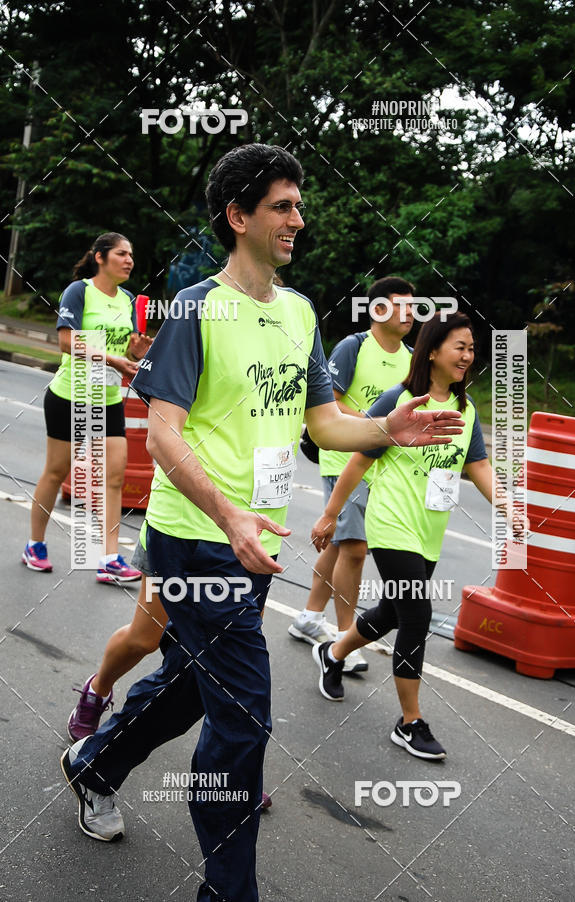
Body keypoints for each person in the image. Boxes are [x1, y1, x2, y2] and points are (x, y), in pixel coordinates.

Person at [60, 144, 463, 902]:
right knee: (243, 714)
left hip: (256, 543)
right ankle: (228, 890)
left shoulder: (301, 312)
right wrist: (227, 512)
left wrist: (383, 432)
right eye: (282, 206)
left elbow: (324, 423)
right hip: (196, 536)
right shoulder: (195, 309)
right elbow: (163, 432)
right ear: (238, 216)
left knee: (189, 688)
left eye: (299, 206)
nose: (298, 220)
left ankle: (95, 764)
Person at [311, 312, 522, 760]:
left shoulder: (466, 411)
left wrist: (506, 505)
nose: (467, 355)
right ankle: (410, 722)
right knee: (417, 614)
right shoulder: (400, 399)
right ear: (431, 351)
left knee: (392, 609)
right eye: (459, 347)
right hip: (391, 524)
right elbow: (359, 461)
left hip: (429, 529)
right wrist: (330, 515)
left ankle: (333, 652)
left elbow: (477, 465)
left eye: (471, 348)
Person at [66, 522, 273, 810]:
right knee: (143, 639)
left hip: (252, 547)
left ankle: (231, 777)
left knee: (227, 662)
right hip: (180, 535)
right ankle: (97, 690)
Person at [289, 276, 415, 675]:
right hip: (344, 459)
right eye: (402, 305)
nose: (411, 313)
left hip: (386, 465)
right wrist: (382, 425)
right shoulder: (353, 347)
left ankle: (310, 617)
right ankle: (346, 637)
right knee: (356, 549)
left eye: (414, 307)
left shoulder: (413, 357)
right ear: (378, 310)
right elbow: (332, 406)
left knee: (342, 545)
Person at [22, 232, 149, 582]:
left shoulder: (128, 300)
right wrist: (114, 359)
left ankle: (109, 559)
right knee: (56, 471)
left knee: (115, 477)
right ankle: (35, 543)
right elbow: (66, 340)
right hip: (70, 395)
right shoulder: (79, 291)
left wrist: (135, 352)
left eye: (131, 255)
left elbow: (126, 353)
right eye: (121, 254)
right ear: (100, 257)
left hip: (108, 400)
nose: (129, 261)